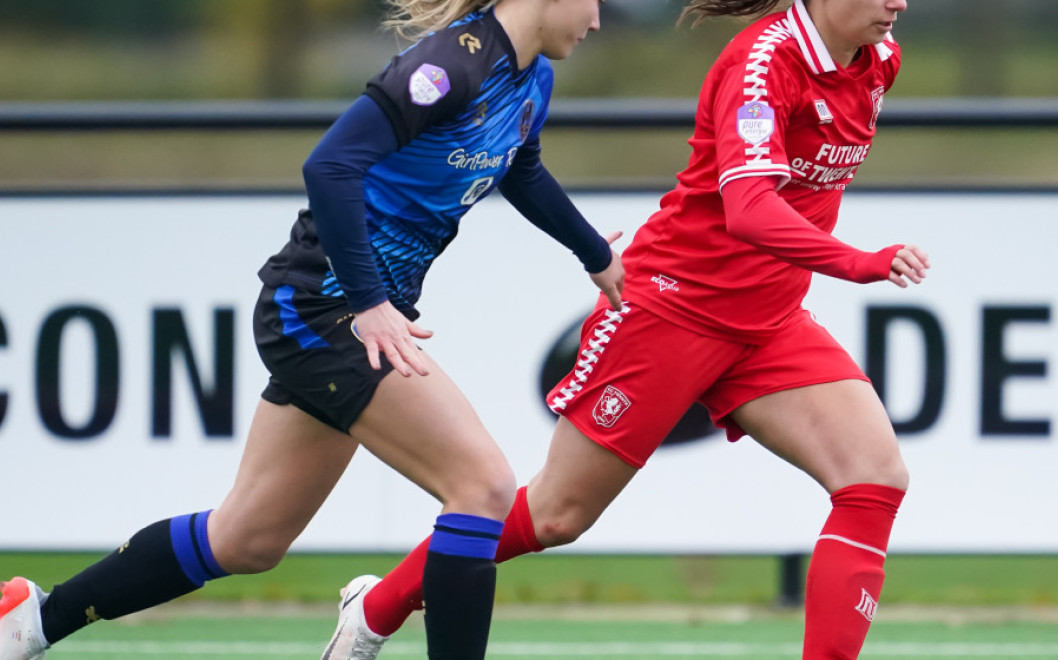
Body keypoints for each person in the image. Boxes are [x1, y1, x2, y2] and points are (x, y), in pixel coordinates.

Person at [0, 0, 620, 658]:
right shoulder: (448, 66)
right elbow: (330, 166)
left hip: (354, 315)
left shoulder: (532, 80)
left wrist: (597, 256)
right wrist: (369, 300)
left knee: (248, 539)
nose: (599, 20)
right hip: (324, 309)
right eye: (593, 0)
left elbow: (521, 169)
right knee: (483, 486)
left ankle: (31, 621)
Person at [324, 0, 925, 655]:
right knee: (557, 514)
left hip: (769, 321)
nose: (897, 2)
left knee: (875, 477)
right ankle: (376, 608)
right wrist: (858, 263)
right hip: (673, 309)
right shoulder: (765, 61)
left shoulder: (879, 61)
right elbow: (749, 210)